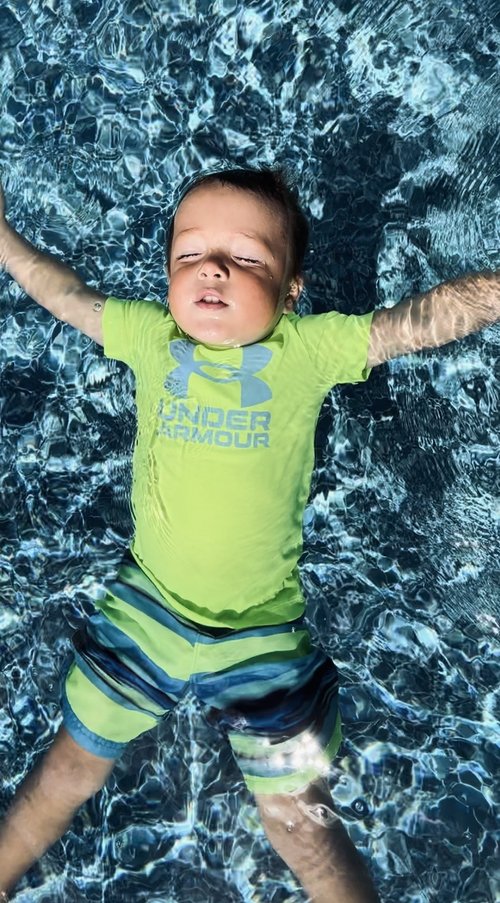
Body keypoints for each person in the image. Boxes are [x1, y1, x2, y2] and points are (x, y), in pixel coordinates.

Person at [0, 166, 498, 903]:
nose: (213, 268)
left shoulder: (310, 349)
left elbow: (414, 322)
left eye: (246, 257)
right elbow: (66, 295)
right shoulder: (150, 336)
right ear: (168, 274)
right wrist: (6, 242)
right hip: (146, 609)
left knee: (300, 822)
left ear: (291, 291)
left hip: (264, 635)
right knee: (67, 771)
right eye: (190, 254)